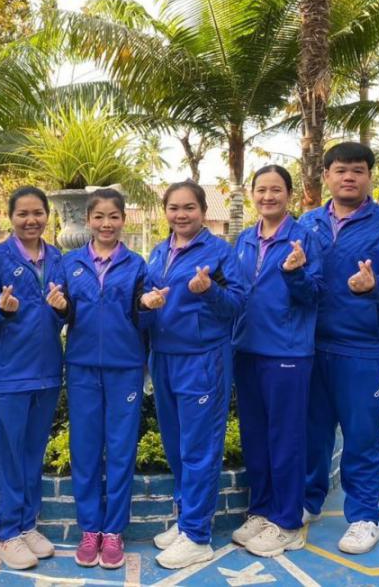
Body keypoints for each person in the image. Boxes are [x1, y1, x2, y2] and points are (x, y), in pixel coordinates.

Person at [298, 142, 379, 554]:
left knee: (361, 435)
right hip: (313, 344)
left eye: (358, 170)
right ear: (326, 176)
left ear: (369, 176)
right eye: (341, 170)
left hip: (364, 346)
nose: (349, 177)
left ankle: (364, 518)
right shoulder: (309, 222)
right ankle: (308, 501)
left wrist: (375, 285)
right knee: (313, 431)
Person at [144, 181, 244, 570]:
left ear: (203, 210)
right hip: (164, 357)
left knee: (199, 447)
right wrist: (146, 301)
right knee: (176, 445)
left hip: (202, 359)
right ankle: (187, 517)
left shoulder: (219, 252)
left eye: (189, 207)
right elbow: (148, 294)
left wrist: (208, 291)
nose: (181, 214)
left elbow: (237, 304)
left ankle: (197, 535)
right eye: (174, 208)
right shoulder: (159, 250)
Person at [230, 165, 322, 558]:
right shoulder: (244, 239)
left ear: (289, 194)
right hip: (247, 348)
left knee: (285, 438)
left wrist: (295, 273)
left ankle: (286, 521)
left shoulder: (303, 238)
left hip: (286, 351)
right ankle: (262, 510)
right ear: (252, 194)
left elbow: (315, 293)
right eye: (261, 189)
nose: (268, 196)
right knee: (255, 436)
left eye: (276, 190)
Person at [0, 186, 67, 570]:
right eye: (23, 214)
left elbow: (63, 313)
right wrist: (1, 308)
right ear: (11, 217)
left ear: (48, 215)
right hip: (8, 374)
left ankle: (27, 525)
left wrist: (62, 309)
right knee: (8, 455)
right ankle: (6, 533)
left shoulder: (58, 258)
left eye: (37, 213)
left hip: (46, 371)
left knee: (32, 453)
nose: (31, 220)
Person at [60, 188, 151, 570]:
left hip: (125, 367)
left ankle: (113, 531)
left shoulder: (137, 265)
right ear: (88, 220)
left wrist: (148, 307)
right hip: (81, 366)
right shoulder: (69, 263)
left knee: (120, 449)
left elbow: (144, 317)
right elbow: (62, 313)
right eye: (99, 216)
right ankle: (89, 529)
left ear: (123, 220)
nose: (106, 223)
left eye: (113, 216)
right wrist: (60, 308)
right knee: (84, 449)